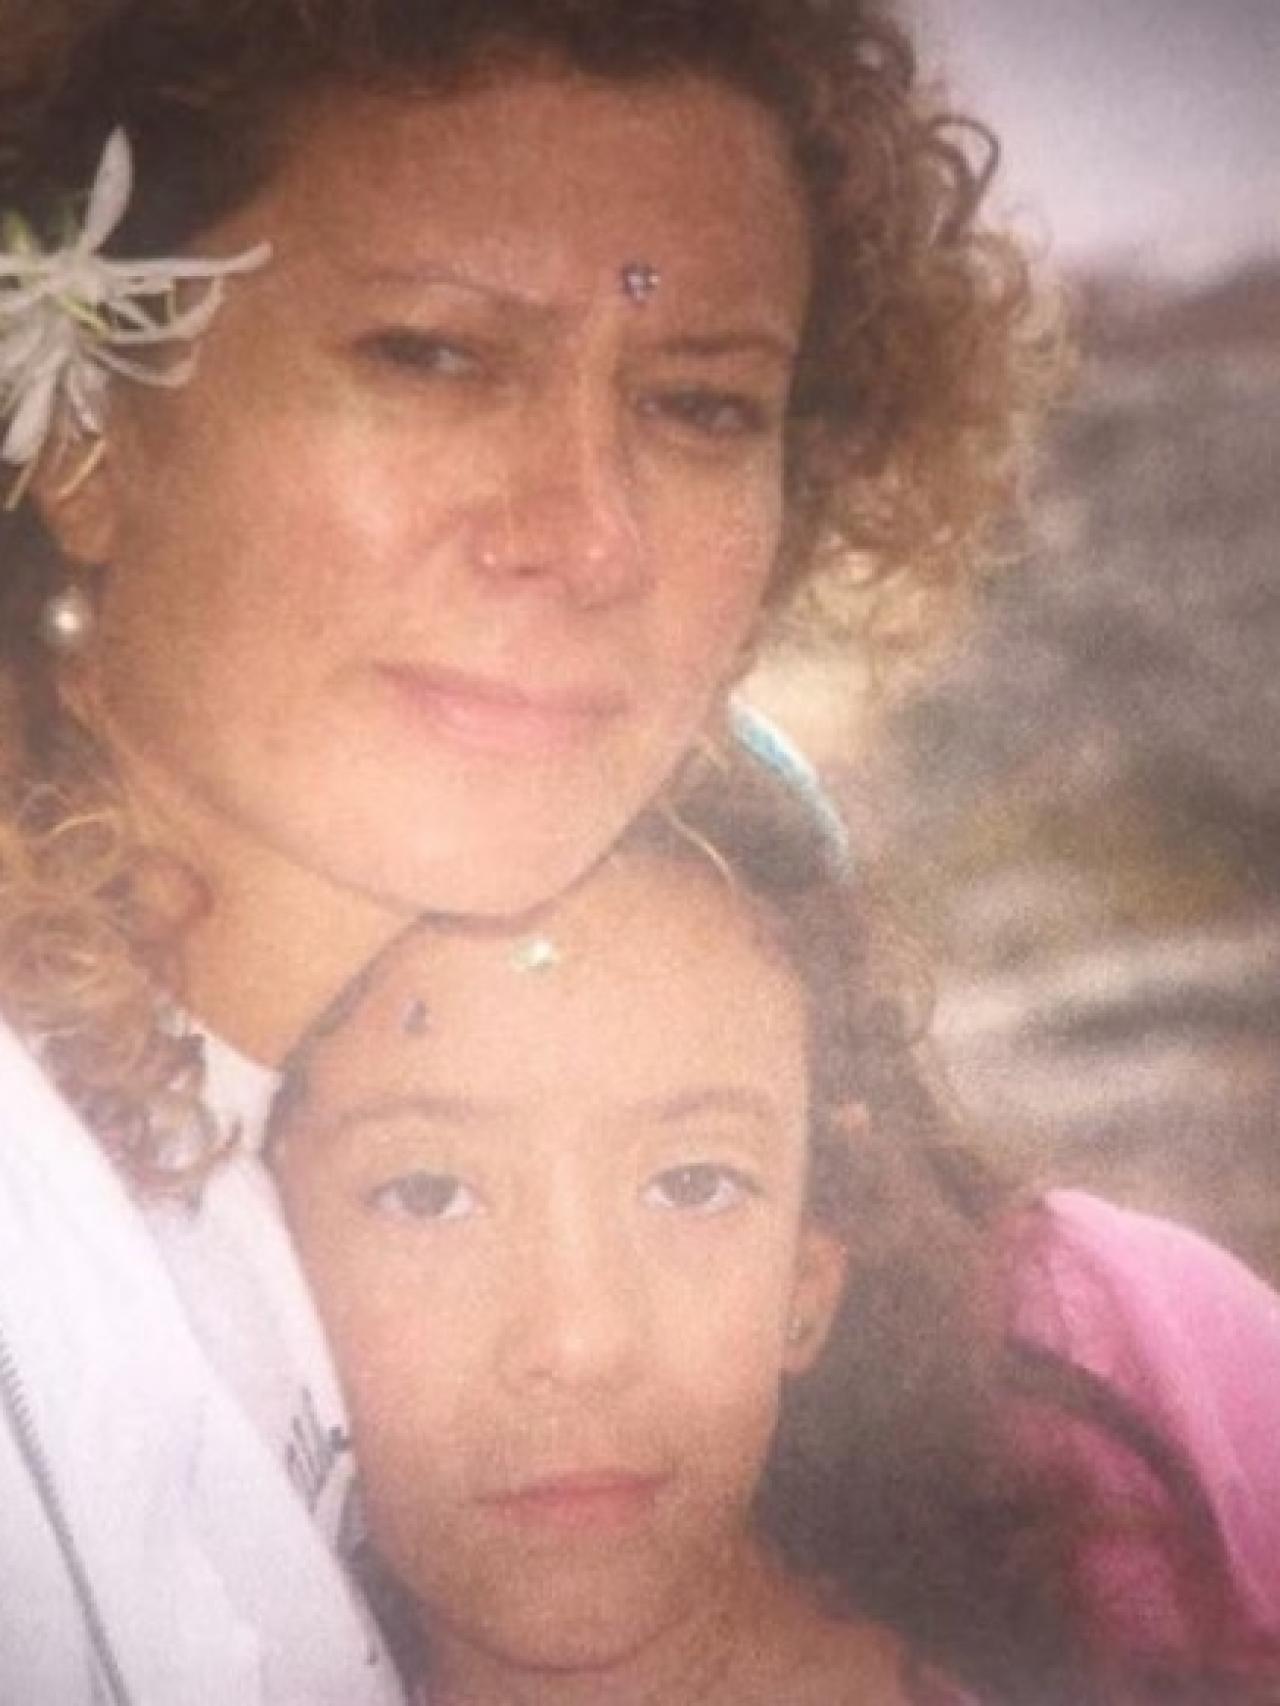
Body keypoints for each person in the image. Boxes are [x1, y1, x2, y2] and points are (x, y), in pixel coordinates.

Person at [0, 0, 1044, 1698]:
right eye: (430, 355)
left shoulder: (209, 1175)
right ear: (92, 444)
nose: (586, 530)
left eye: (701, 404)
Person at [269, 759, 1280, 1706]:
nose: (579, 1342)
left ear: (806, 1282)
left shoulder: (1154, 1437)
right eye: (427, 1194)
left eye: (692, 1183)